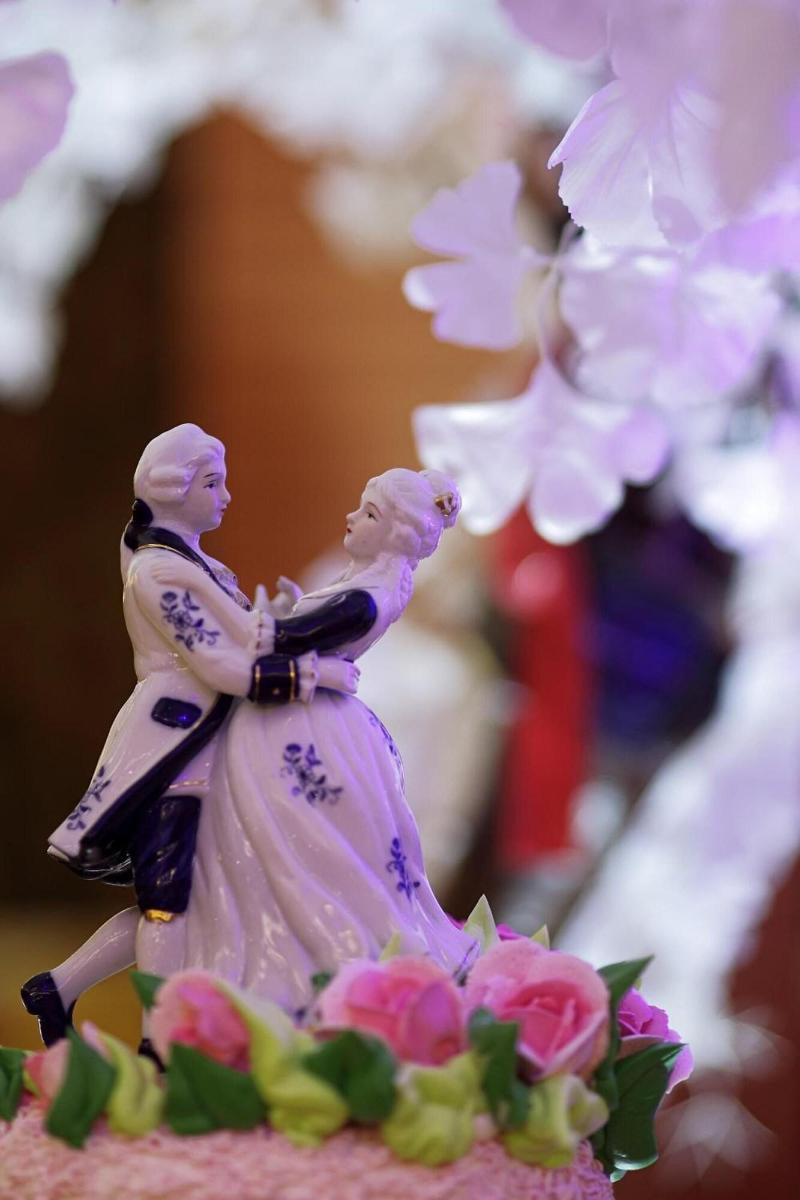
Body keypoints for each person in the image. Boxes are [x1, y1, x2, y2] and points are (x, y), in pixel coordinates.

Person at [21, 424, 366, 1046]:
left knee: (196, 897)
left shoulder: (193, 563)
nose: (226, 497)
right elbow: (219, 666)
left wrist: (278, 619)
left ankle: (62, 988)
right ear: (171, 489)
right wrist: (313, 675)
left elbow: (237, 635)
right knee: (168, 899)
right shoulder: (159, 572)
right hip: (175, 747)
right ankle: (159, 1038)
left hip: (212, 741)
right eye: (212, 483)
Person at [183, 468, 478, 1011]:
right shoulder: (353, 579)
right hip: (302, 721)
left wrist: (216, 605)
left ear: (395, 533)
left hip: (311, 735)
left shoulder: (370, 602)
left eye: (368, 513)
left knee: (305, 855)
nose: (350, 518)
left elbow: (286, 638)